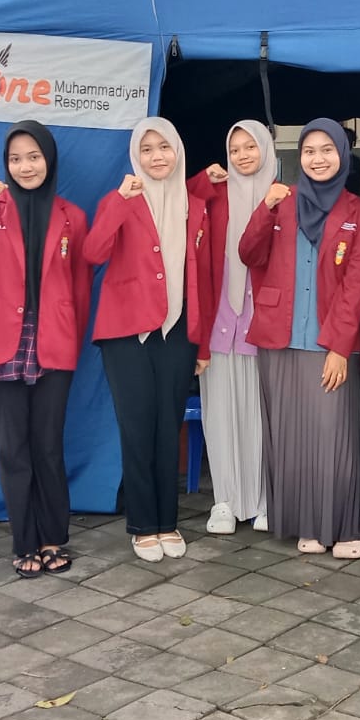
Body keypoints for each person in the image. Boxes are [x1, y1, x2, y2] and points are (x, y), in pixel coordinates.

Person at [0, 121, 90, 577]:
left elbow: (80, 286)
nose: (25, 167)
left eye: (33, 156)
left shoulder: (71, 216)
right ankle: (23, 541)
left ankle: (53, 537)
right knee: (12, 448)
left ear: (49, 159)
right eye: (15, 159)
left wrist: (70, 338)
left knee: (47, 446)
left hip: (53, 343)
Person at [239, 118, 360, 558]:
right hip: (278, 336)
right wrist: (264, 208)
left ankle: (348, 526)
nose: (318, 159)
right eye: (310, 151)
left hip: (329, 340)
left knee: (334, 435)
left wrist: (339, 347)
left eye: (327, 150)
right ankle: (308, 525)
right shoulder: (283, 201)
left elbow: (356, 286)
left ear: (342, 155)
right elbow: (249, 253)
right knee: (291, 436)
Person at [86, 117, 212, 563]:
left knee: (166, 428)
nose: (157, 156)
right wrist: (120, 202)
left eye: (165, 147)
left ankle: (168, 522)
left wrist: (203, 344)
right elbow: (92, 252)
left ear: (177, 151)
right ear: (135, 157)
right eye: (147, 149)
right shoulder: (119, 199)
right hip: (127, 333)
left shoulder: (195, 205)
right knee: (137, 428)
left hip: (178, 331)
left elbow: (203, 277)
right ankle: (143, 525)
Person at [188, 120, 278, 534]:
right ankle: (224, 499)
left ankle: (262, 500)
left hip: (264, 325)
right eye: (235, 147)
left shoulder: (283, 197)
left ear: (266, 150)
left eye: (250, 147)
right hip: (221, 324)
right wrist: (203, 180)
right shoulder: (217, 198)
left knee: (261, 417)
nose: (243, 155)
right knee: (220, 413)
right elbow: (180, 201)